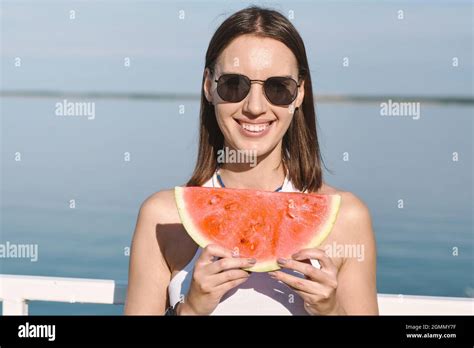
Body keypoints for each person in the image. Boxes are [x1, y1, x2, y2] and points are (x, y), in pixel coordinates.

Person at [124, 5, 378, 315]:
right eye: (234, 85)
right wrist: (191, 308)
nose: (255, 106)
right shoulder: (163, 217)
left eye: (278, 88)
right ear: (208, 86)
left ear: (299, 94)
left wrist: (331, 311)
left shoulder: (348, 217)